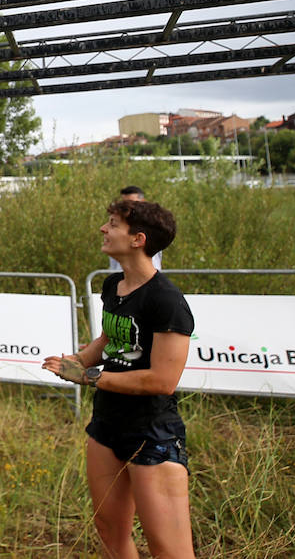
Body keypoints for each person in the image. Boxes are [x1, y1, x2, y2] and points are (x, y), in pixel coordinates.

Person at [42, 198, 194, 559]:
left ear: (138, 239)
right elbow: (110, 337)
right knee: (110, 531)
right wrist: (77, 360)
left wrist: (90, 376)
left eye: (112, 223)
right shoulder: (114, 285)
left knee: (169, 550)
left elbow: (162, 381)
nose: (103, 229)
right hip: (106, 425)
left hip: (153, 433)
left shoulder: (167, 300)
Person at [108, 186, 163, 272]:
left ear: (143, 201)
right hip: (121, 276)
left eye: (132, 202)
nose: (128, 207)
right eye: (124, 203)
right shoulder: (116, 228)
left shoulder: (152, 224)